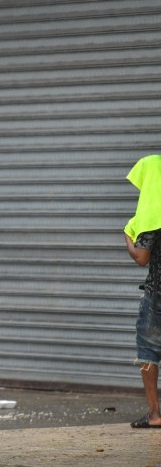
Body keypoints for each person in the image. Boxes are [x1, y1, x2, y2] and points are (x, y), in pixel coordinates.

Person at [124, 155, 161, 429]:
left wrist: (127, 236)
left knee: (148, 352)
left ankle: (155, 414)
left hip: (157, 294)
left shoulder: (151, 215)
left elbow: (142, 258)